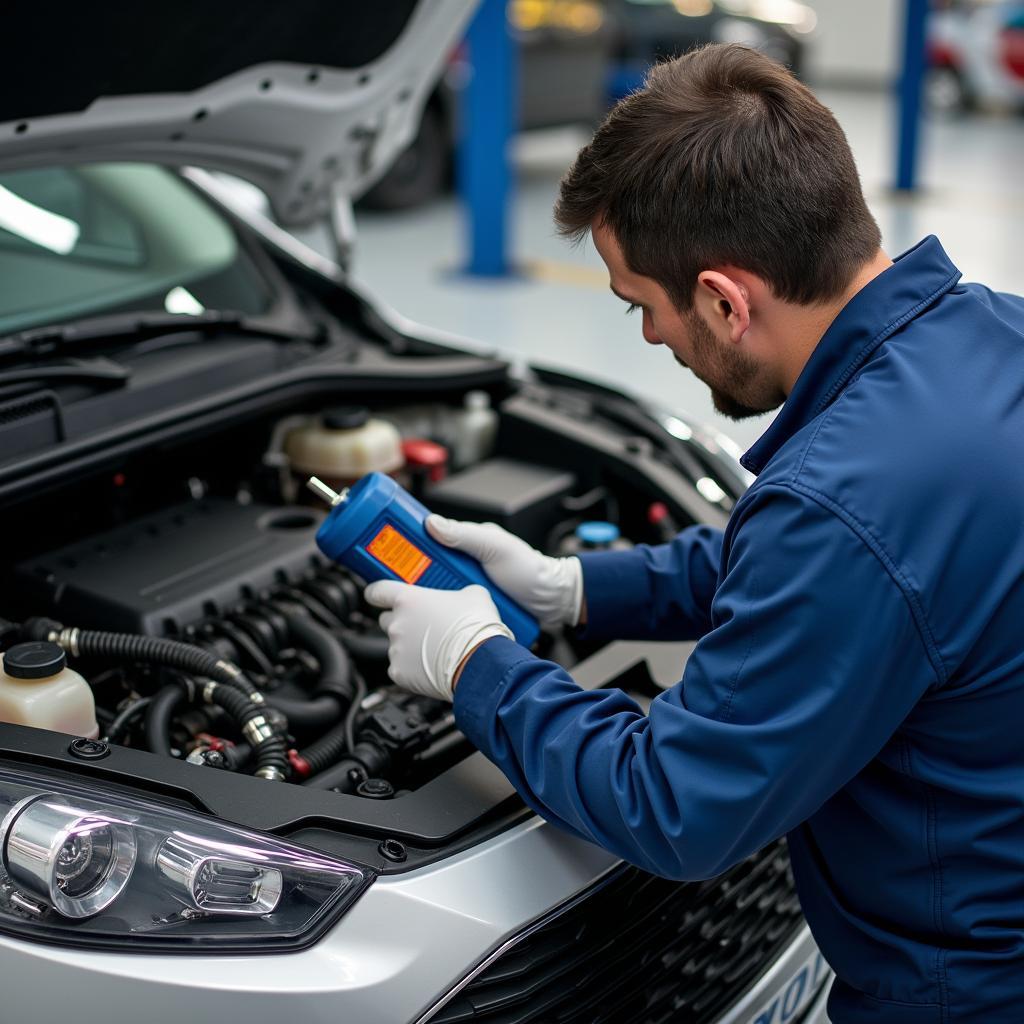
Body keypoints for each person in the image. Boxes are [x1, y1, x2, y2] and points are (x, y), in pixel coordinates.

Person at [365, 44, 1024, 1023]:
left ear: (724, 298)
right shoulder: (989, 338)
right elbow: (864, 567)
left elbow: (674, 807)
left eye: (641, 304)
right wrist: (576, 587)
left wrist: (476, 663)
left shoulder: (842, 500)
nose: (647, 339)